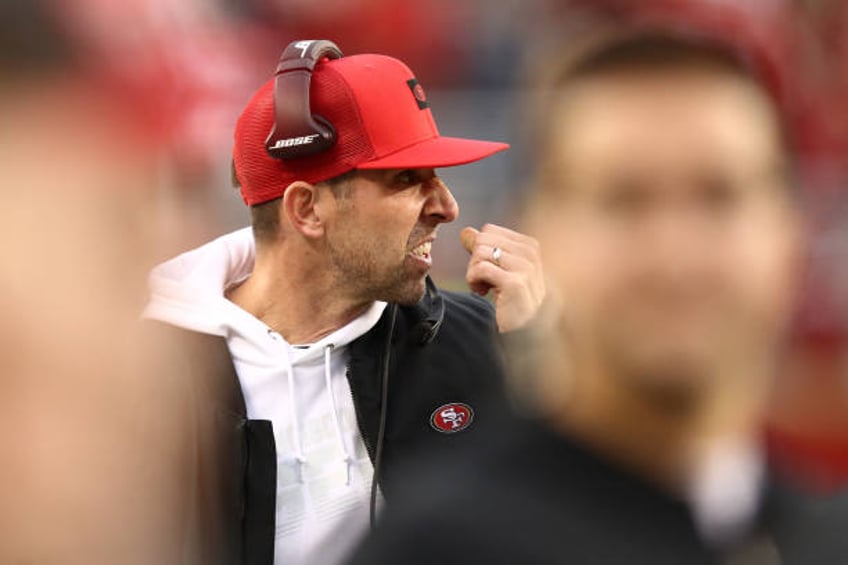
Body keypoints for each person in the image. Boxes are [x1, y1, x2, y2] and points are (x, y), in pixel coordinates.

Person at [347, 29, 848, 565]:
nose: (674, 257)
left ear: (790, 231)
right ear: (540, 227)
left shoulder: (826, 538)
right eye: (623, 200)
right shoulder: (437, 549)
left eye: (719, 195)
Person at [142, 39, 544, 565]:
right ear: (306, 209)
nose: (447, 206)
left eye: (438, 178)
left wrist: (546, 366)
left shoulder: (494, 339)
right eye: (408, 180)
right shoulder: (141, 371)